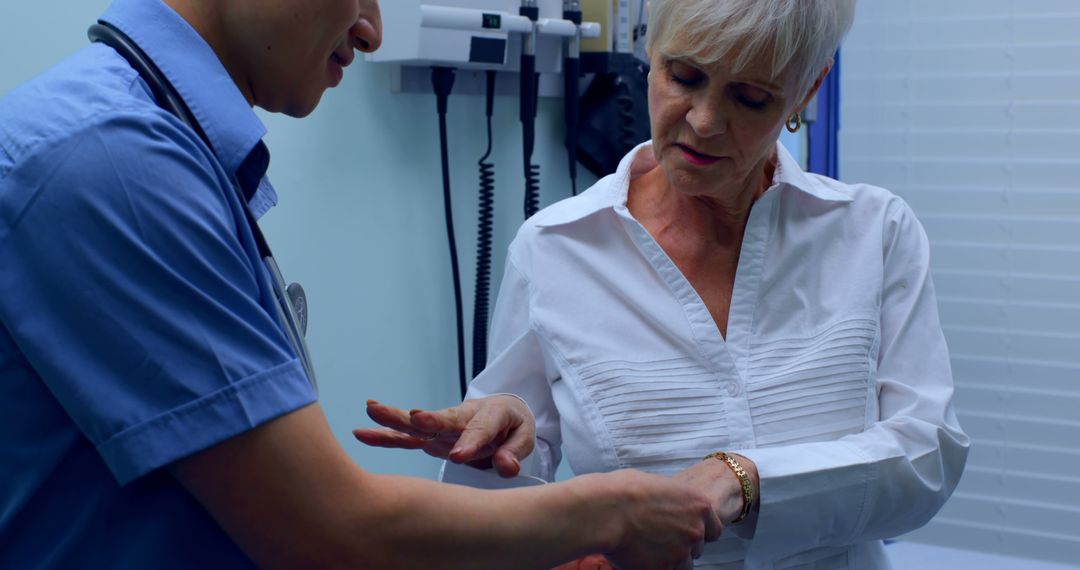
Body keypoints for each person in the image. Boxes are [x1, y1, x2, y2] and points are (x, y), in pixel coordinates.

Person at [0, 0, 726, 568]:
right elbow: (333, 535)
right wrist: (615, 512)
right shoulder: (111, 159)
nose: (374, 29)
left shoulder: (154, 146)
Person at [355, 0, 971, 567]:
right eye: (684, 76)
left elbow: (927, 456)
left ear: (808, 89)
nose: (704, 122)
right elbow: (514, 484)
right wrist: (498, 445)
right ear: (649, 51)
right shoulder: (555, 250)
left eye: (751, 97)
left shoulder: (874, 232)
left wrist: (743, 479)